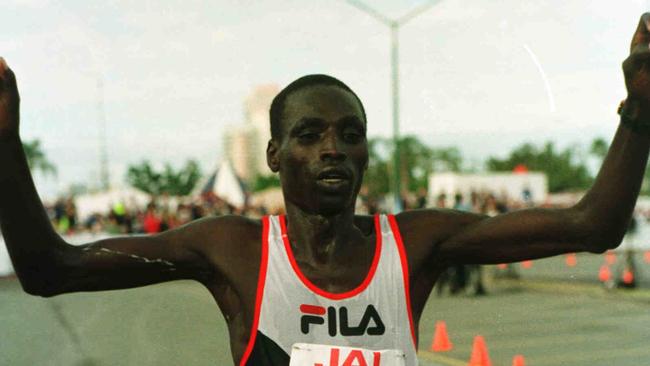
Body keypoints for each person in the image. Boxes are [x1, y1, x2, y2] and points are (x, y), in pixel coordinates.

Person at [3, 14, 650, 366]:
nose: (333, 148)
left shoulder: (417, 241)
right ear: (276, 154)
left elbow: (591, 226)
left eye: (350, 133)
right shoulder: (236, 249)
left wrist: (639, 111)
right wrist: (5, 140)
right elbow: (50, 269)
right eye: (310, 134)